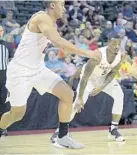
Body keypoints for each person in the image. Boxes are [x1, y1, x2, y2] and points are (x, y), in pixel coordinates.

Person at [0, 0, 100, 149]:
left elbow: (59, 44)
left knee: (67, 94)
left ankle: (62, 137)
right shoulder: (41, 18)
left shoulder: (52, 24)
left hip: (38, 69)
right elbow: (58, 42)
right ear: (52, 5)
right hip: (20, 72)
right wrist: (88, 53)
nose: (64, 9)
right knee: (17, 114)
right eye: (62, 5)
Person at [51, 36, 126, 143]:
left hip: (103, 78)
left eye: (119, 44)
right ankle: (59, 131)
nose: (117, 47)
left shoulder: (121, 55)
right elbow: (85, 78)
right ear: (108, 43)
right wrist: (80, 97)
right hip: (89, 78)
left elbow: (113, 73)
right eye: (114, 44)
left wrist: (101, 87)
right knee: (77, 104)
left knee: (119, 94)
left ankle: (113, 129)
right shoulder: (98, 56)